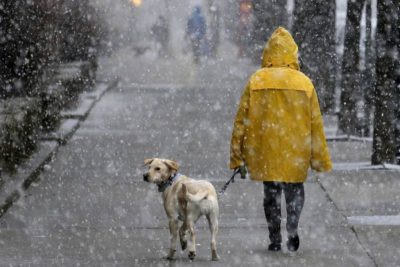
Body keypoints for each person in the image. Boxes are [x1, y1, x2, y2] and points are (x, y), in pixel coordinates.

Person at [230, 27, 332, 252]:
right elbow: (316, 124)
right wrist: (319, 159)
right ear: (293, 54)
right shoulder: (304, 83)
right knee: (295, 190)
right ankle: (293, 228)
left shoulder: (256, 80)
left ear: (267, 54)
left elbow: (241, 122)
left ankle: (274, 237)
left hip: (267, 150)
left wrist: (238, 157)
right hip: (296, 149)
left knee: (271, 194)